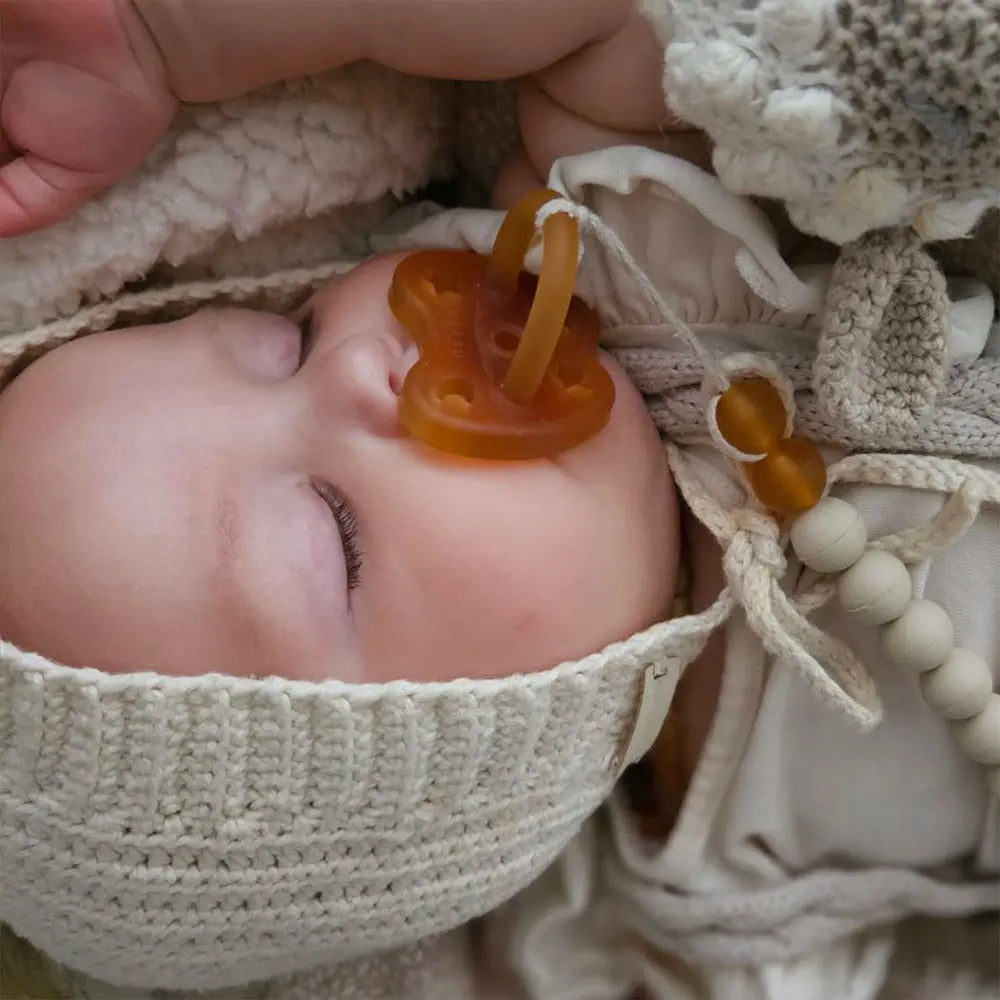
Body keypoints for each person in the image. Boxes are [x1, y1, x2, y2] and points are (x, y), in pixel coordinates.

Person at [1, 3, 998, 999]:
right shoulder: (727, 883)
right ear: (456, 778)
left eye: (286, 337)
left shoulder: (617, 244)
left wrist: (176, 37)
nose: (355, 367)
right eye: (332, 529)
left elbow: (594, 21)